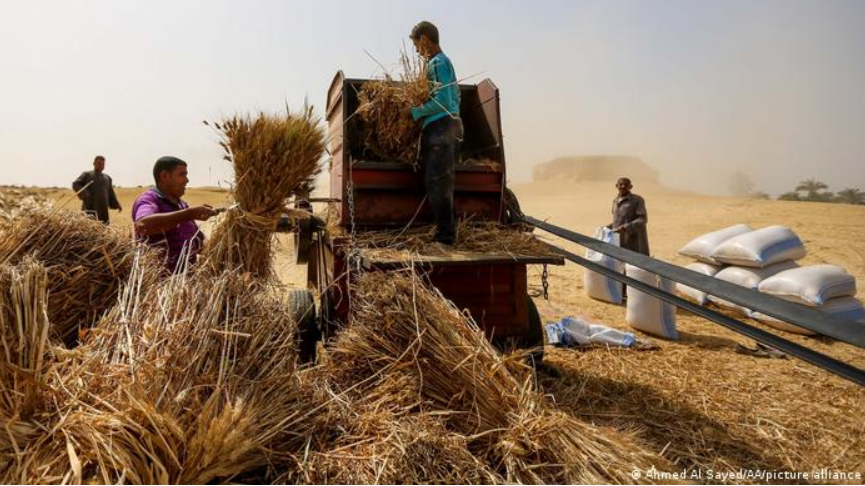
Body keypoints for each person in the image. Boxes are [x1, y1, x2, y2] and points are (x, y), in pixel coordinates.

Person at [407, 20, 463, 245]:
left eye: (417, 46)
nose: (418, 51)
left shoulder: (438, 63)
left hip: (442, 128)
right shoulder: (441, 63)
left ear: (424, 40)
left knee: (437, 182)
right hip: (447, 126)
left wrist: (415, 112)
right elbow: (456, 97)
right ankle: (448, 231)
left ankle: (446, 237)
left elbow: (443, 101)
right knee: (440, 182)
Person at [132, 156, 216, 273]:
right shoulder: (149, 199)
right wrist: (190, 214)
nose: (187, 180)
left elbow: (197, 239)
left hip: (184, 285)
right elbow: (143, 225)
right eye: (182, 174)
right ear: (164, 176)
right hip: (159, 284)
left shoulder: (182, 205)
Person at [71, 155, 122, 224]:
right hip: (89, 208)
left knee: (103, 228)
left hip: (103, 210)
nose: (101, 165)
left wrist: (117, 204)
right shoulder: (87, 174)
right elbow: (76, 184)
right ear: (94, 163)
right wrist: (85, 194)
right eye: (99, 163)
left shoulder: (107, 178)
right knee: (88, 228)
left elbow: (111, 193)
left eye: (103, 164)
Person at [610, 177, 650, 256]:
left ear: (630, 187)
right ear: (616, 186)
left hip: (634, 241)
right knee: (619, 264)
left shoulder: (637, 200)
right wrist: (606, 228)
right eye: (621, 184)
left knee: (635, 264)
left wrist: (626, 228)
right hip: (619, 240)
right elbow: (617, 220)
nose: (623, 186)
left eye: (626, 185)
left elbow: (643, 219)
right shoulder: (615, 201)